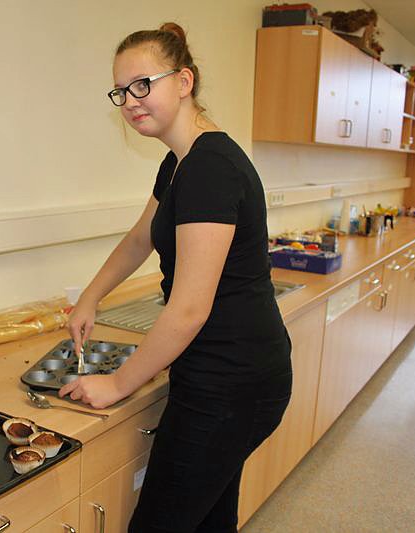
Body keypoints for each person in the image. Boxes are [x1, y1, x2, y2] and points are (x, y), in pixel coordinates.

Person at [58, 22, 292, 532]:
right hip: (225, 372)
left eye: (143, 84)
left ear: (184, 81)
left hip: (233, 381)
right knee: (209, 520)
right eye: (121, 91)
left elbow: (188, 310)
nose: (130, 101)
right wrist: (90, 298)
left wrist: (117, 383)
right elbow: (140, 238)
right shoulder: (180, 162)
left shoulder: (211, 167)